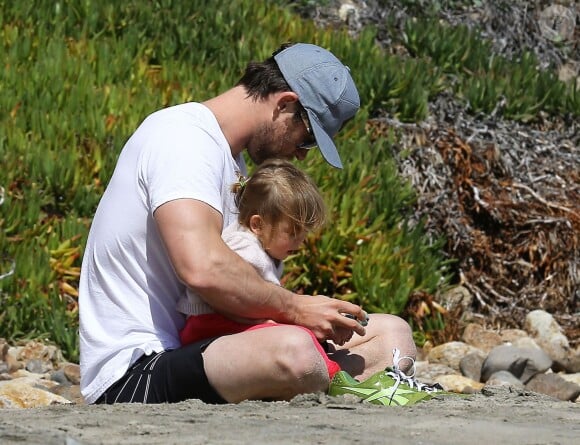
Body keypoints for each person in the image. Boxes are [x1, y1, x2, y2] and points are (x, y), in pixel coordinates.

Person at [79, 42, 418, 405]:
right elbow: (202, 268)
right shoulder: (182, 139)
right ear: (285, 104)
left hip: (205, 348)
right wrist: (297, 309)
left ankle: (332, 386)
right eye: (307, 139)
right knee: (296, 352)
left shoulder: (231, 161)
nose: (302, 155)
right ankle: (334, 386)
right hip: (136, 369)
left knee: (390, 336)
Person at [177, 158, 343, 378]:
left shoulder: (265, 249)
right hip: (209, 324)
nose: (300, 242)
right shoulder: (244, 247)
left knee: (296, 335)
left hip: (221, 324)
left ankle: (325, 367)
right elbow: (234, 296)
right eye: (292, 233)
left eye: (304, 234)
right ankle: (331, 374)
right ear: (257, 224)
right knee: (295, 337)